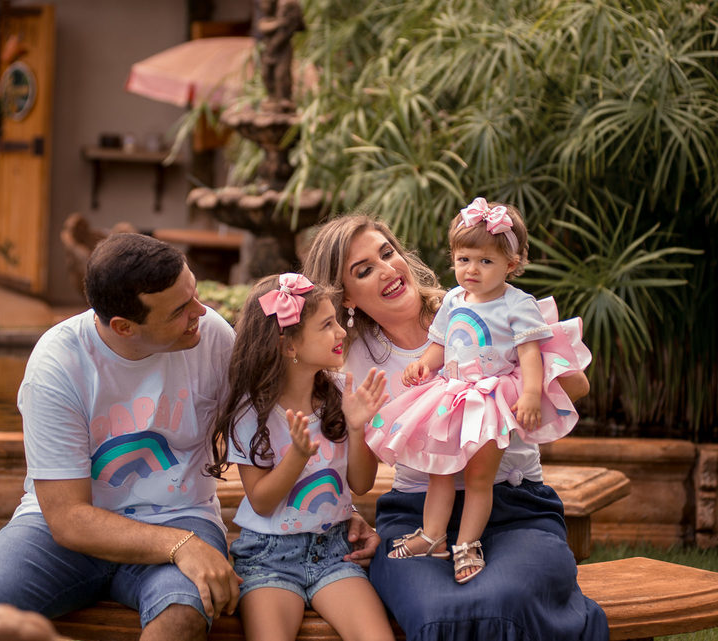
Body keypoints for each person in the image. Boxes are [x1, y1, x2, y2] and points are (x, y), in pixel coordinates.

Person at [303, 214, 609, 641]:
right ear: (347, 297)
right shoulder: (352, 362)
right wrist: (357, 430)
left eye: (388, 253)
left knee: (506, 599)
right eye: (365, 270)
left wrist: (501, 383)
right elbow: (360, 482)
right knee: (436, 612)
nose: (387, 269)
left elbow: (577, 385)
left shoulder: (479, 304)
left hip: (515, 507)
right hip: (417, 513)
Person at [0, 233, 241, 641]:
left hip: (180, 513)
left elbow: (267, 430)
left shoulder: (213, 337)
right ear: (124, 327)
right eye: (180, 310)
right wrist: (182, 546)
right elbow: (68, 519)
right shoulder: (57, 364)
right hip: (71, 532)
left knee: (183, 615)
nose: (201, 311)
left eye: (193, 293)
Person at [367, 197, 590, 584]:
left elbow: (530, 353)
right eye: (464, 259)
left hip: (489, 401)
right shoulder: (454, 299)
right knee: (440, 471)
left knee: (478, 478)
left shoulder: (516, 304)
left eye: (486, 261)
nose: (472, 269)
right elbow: (440, 343)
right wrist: (424, 365)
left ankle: (467, 543)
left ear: (511, 265)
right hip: (450, 397)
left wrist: (531, 394)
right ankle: (432, 536)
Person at [208, 273, 395, 641]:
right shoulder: (252, 413)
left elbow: (360, 484)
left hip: (335, 551)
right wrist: (296, 457)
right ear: (288, 346)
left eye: (336, 321)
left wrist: (357, 427)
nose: (340, 332)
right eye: (326, 325)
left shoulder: (342, 394)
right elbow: (261, 502)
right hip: (268, 557)